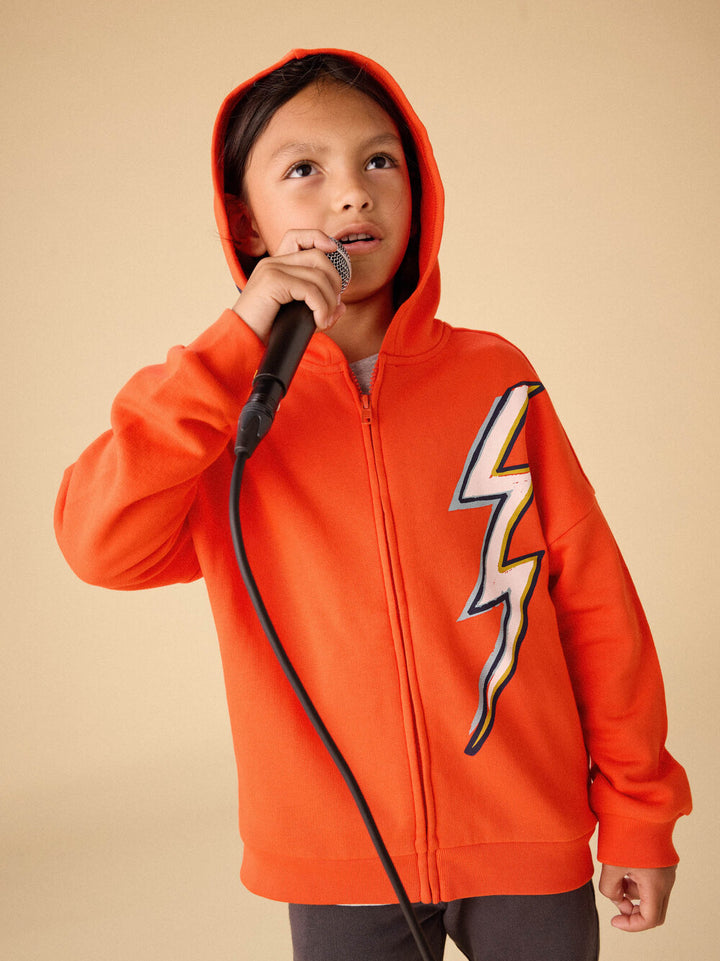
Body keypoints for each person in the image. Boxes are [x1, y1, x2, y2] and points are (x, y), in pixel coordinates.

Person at [54, 48, 691, 960]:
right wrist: (236, 345)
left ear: (419, 187)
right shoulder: (219, 409)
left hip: (526, 833)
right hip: (336, 857)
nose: (352, 193)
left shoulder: (495, 379)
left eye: (379, 161)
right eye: (304, 170)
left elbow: (595, 603)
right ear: (246, 215)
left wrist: (638, 811)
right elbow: (98, 544)